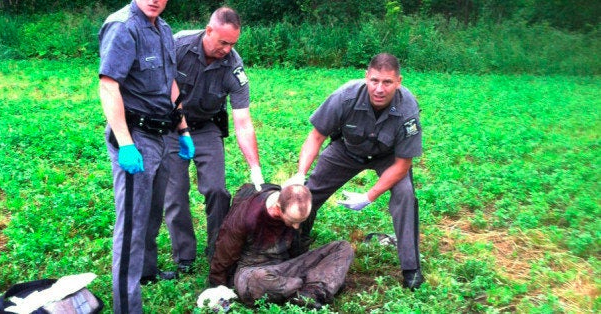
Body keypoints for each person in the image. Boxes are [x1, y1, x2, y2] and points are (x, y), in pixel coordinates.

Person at [284, 53, 424, 290]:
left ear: (398, 81)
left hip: (388, 157)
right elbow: (316, 136)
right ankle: (295, 244)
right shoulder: (345, 96)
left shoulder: (408, 110)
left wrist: (369, 196)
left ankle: (411, 268)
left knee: (405, 195)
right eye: (375, 80)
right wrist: (300, 174)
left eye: (387, 82)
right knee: (308, 191)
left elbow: (402, 164)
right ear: (366, 77)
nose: (379, 88)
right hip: (347, 150)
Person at [98, 0, 195, 312]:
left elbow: (170, 84)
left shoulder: (164, 29)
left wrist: (183, 130)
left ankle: (146, 272)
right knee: (132, 225)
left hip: (163, 134)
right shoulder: (122, 26)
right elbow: (109, 85)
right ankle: (127, 307)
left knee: (153, 211)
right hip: (135, 137)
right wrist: (125, 143)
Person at [164, 6, 263, 271]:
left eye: (232, 44)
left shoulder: (234, 66)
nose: (227, 49)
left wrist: (255, 169)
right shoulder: (178, 45)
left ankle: (217, 249)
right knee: (175, 193)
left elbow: (243, 121)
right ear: (208, 30)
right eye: (222, 42)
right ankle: (184, 256)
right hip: (173, 126)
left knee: (217, 190)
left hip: (207, 126)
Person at [209, 183, 354, 309]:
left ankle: (306, 292)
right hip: (252, 270)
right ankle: (313, 288)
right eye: (292, 221)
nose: (297, 226)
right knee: (258, 280)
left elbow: (300, 248)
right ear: (277, 208)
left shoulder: (301, 211)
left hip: (287, 266)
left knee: (343, 247)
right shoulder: (247, 216)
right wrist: (218, 287)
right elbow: (224, 253)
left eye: (300, 221)